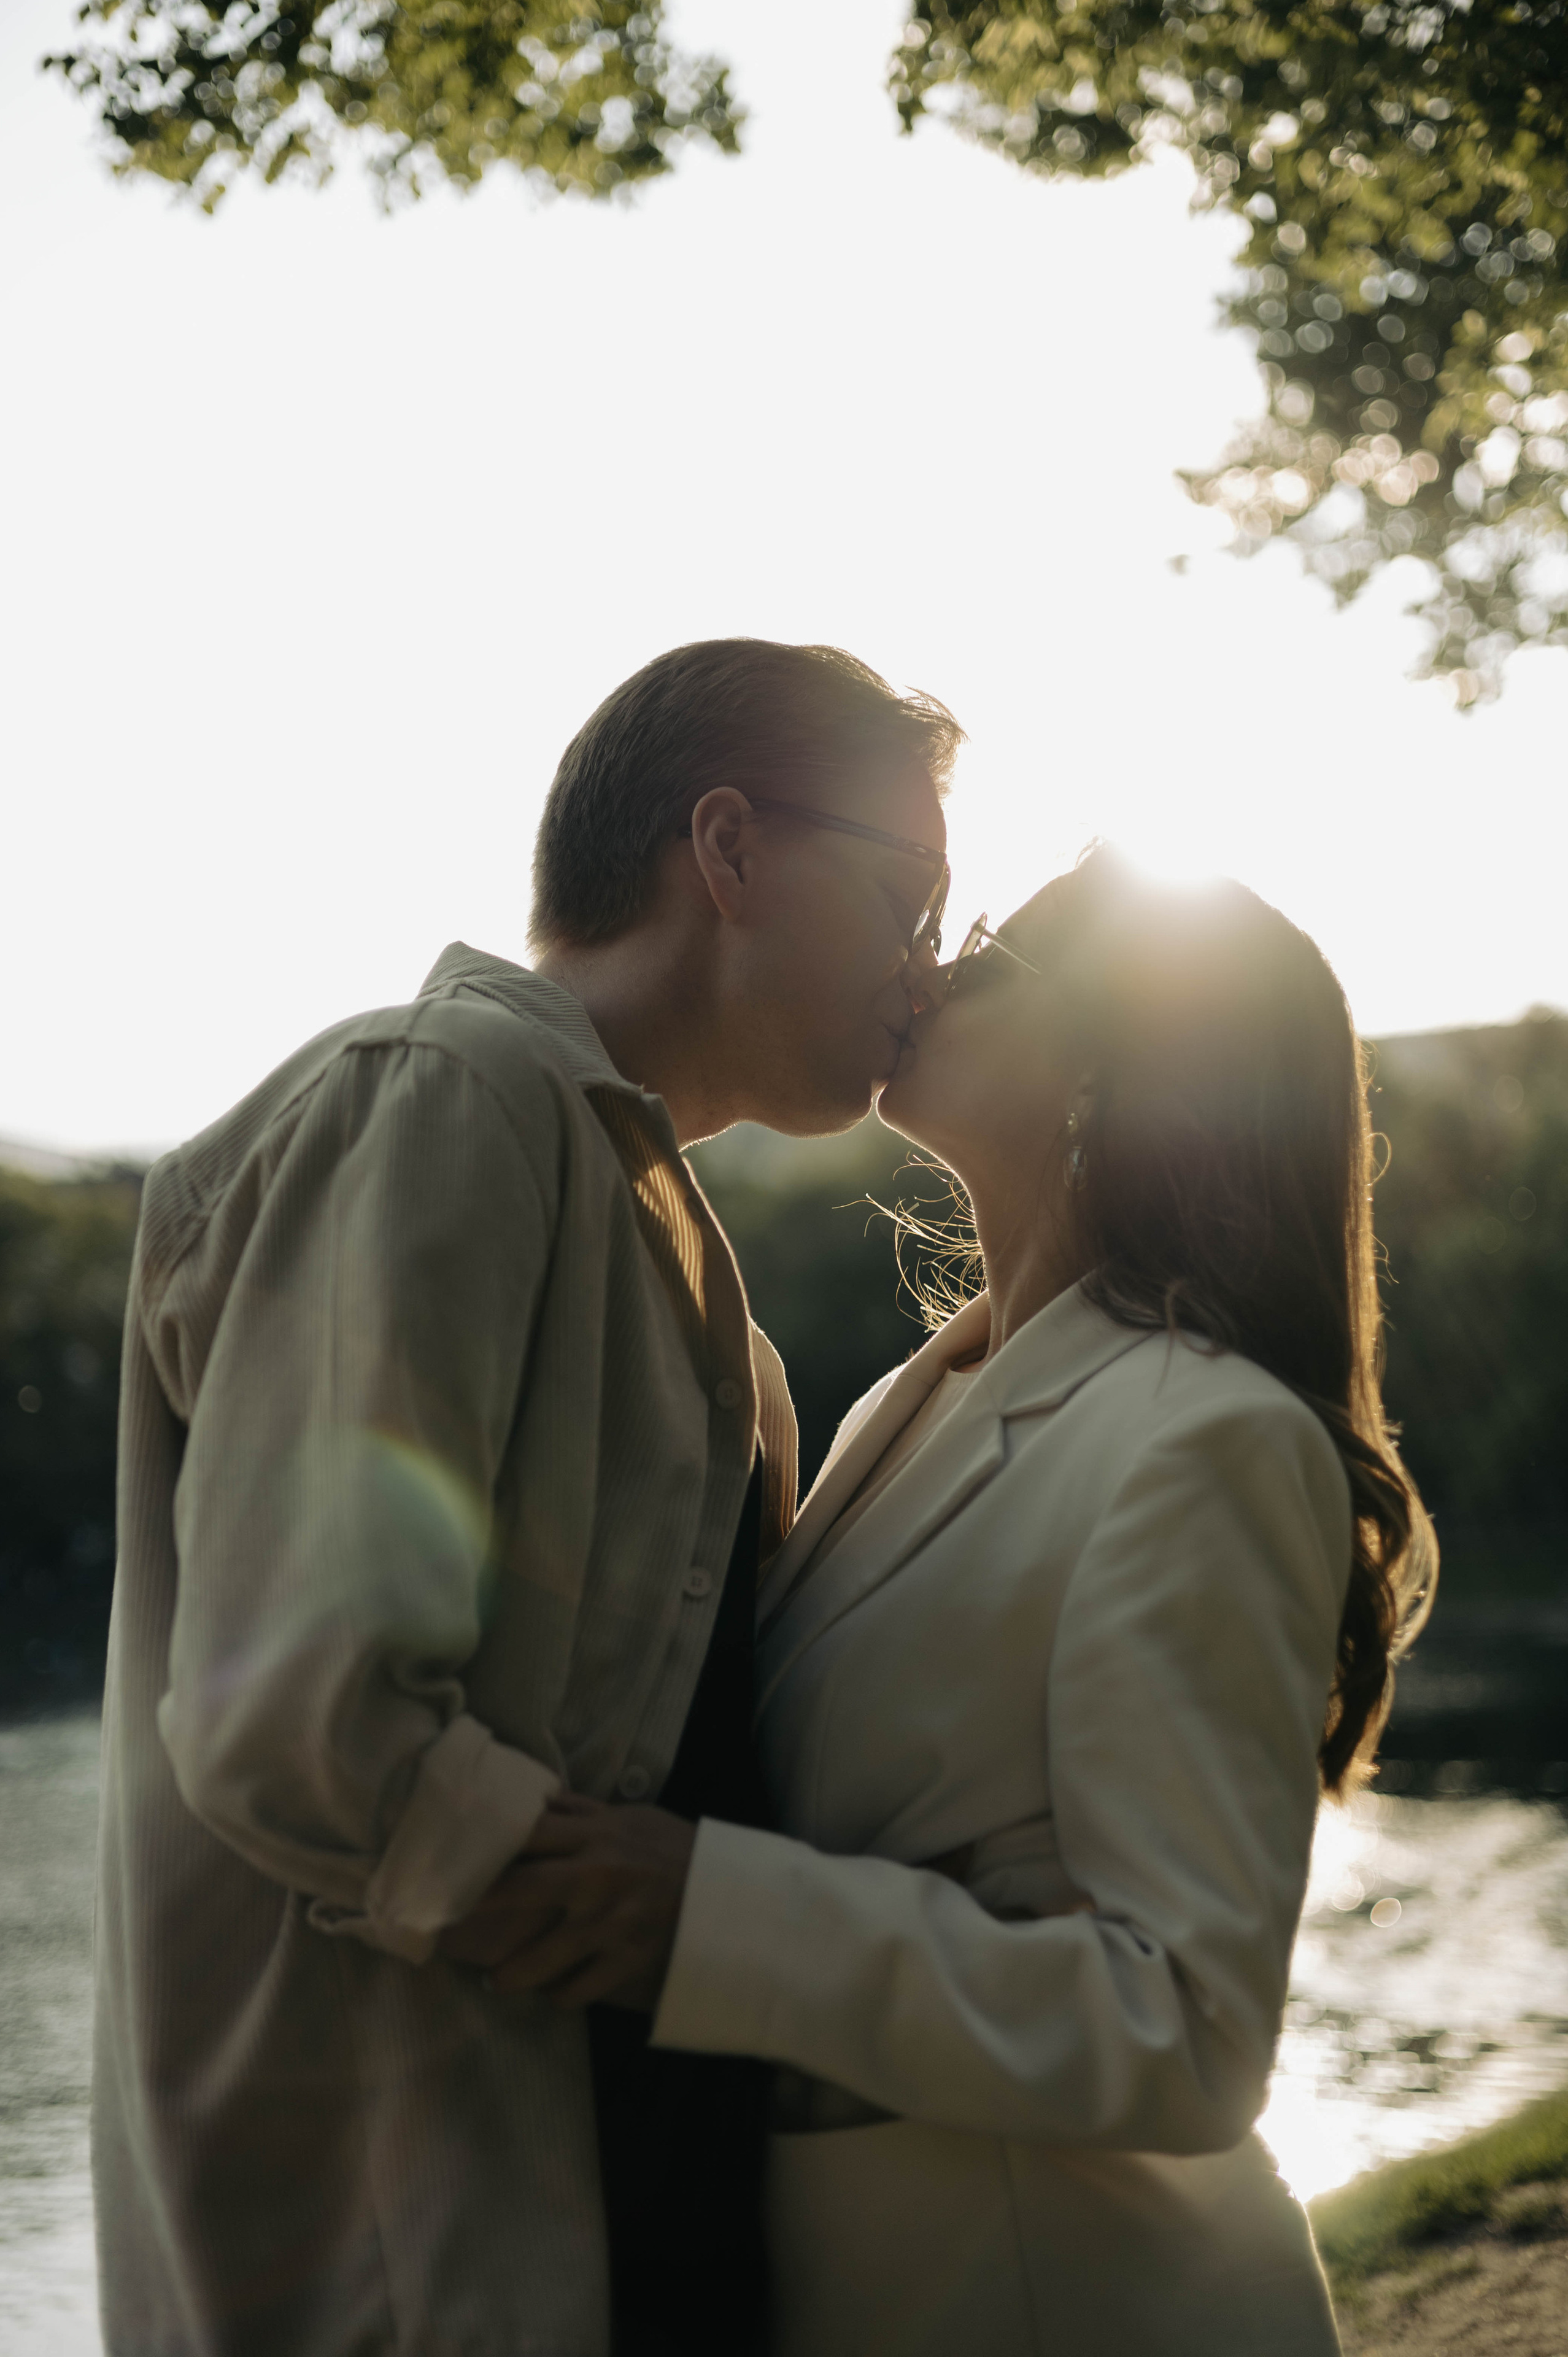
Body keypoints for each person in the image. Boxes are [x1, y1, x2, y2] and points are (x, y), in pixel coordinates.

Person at [92, 637, 963, 2357]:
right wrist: (667, 1915)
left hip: (619, 2217)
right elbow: (302, 1713)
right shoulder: (444, 1096)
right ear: (726, 851)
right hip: (422, 2253)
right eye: (903, 900)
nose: (923, 978)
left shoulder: (690, 1275)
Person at [476, 846, 1434, 2355]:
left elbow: (1181, 2030)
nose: (924, 967)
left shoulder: (1207, 1438)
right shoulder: (893, 1412)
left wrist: (701, 1913)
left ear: (1104, 1066)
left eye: (986, 946)